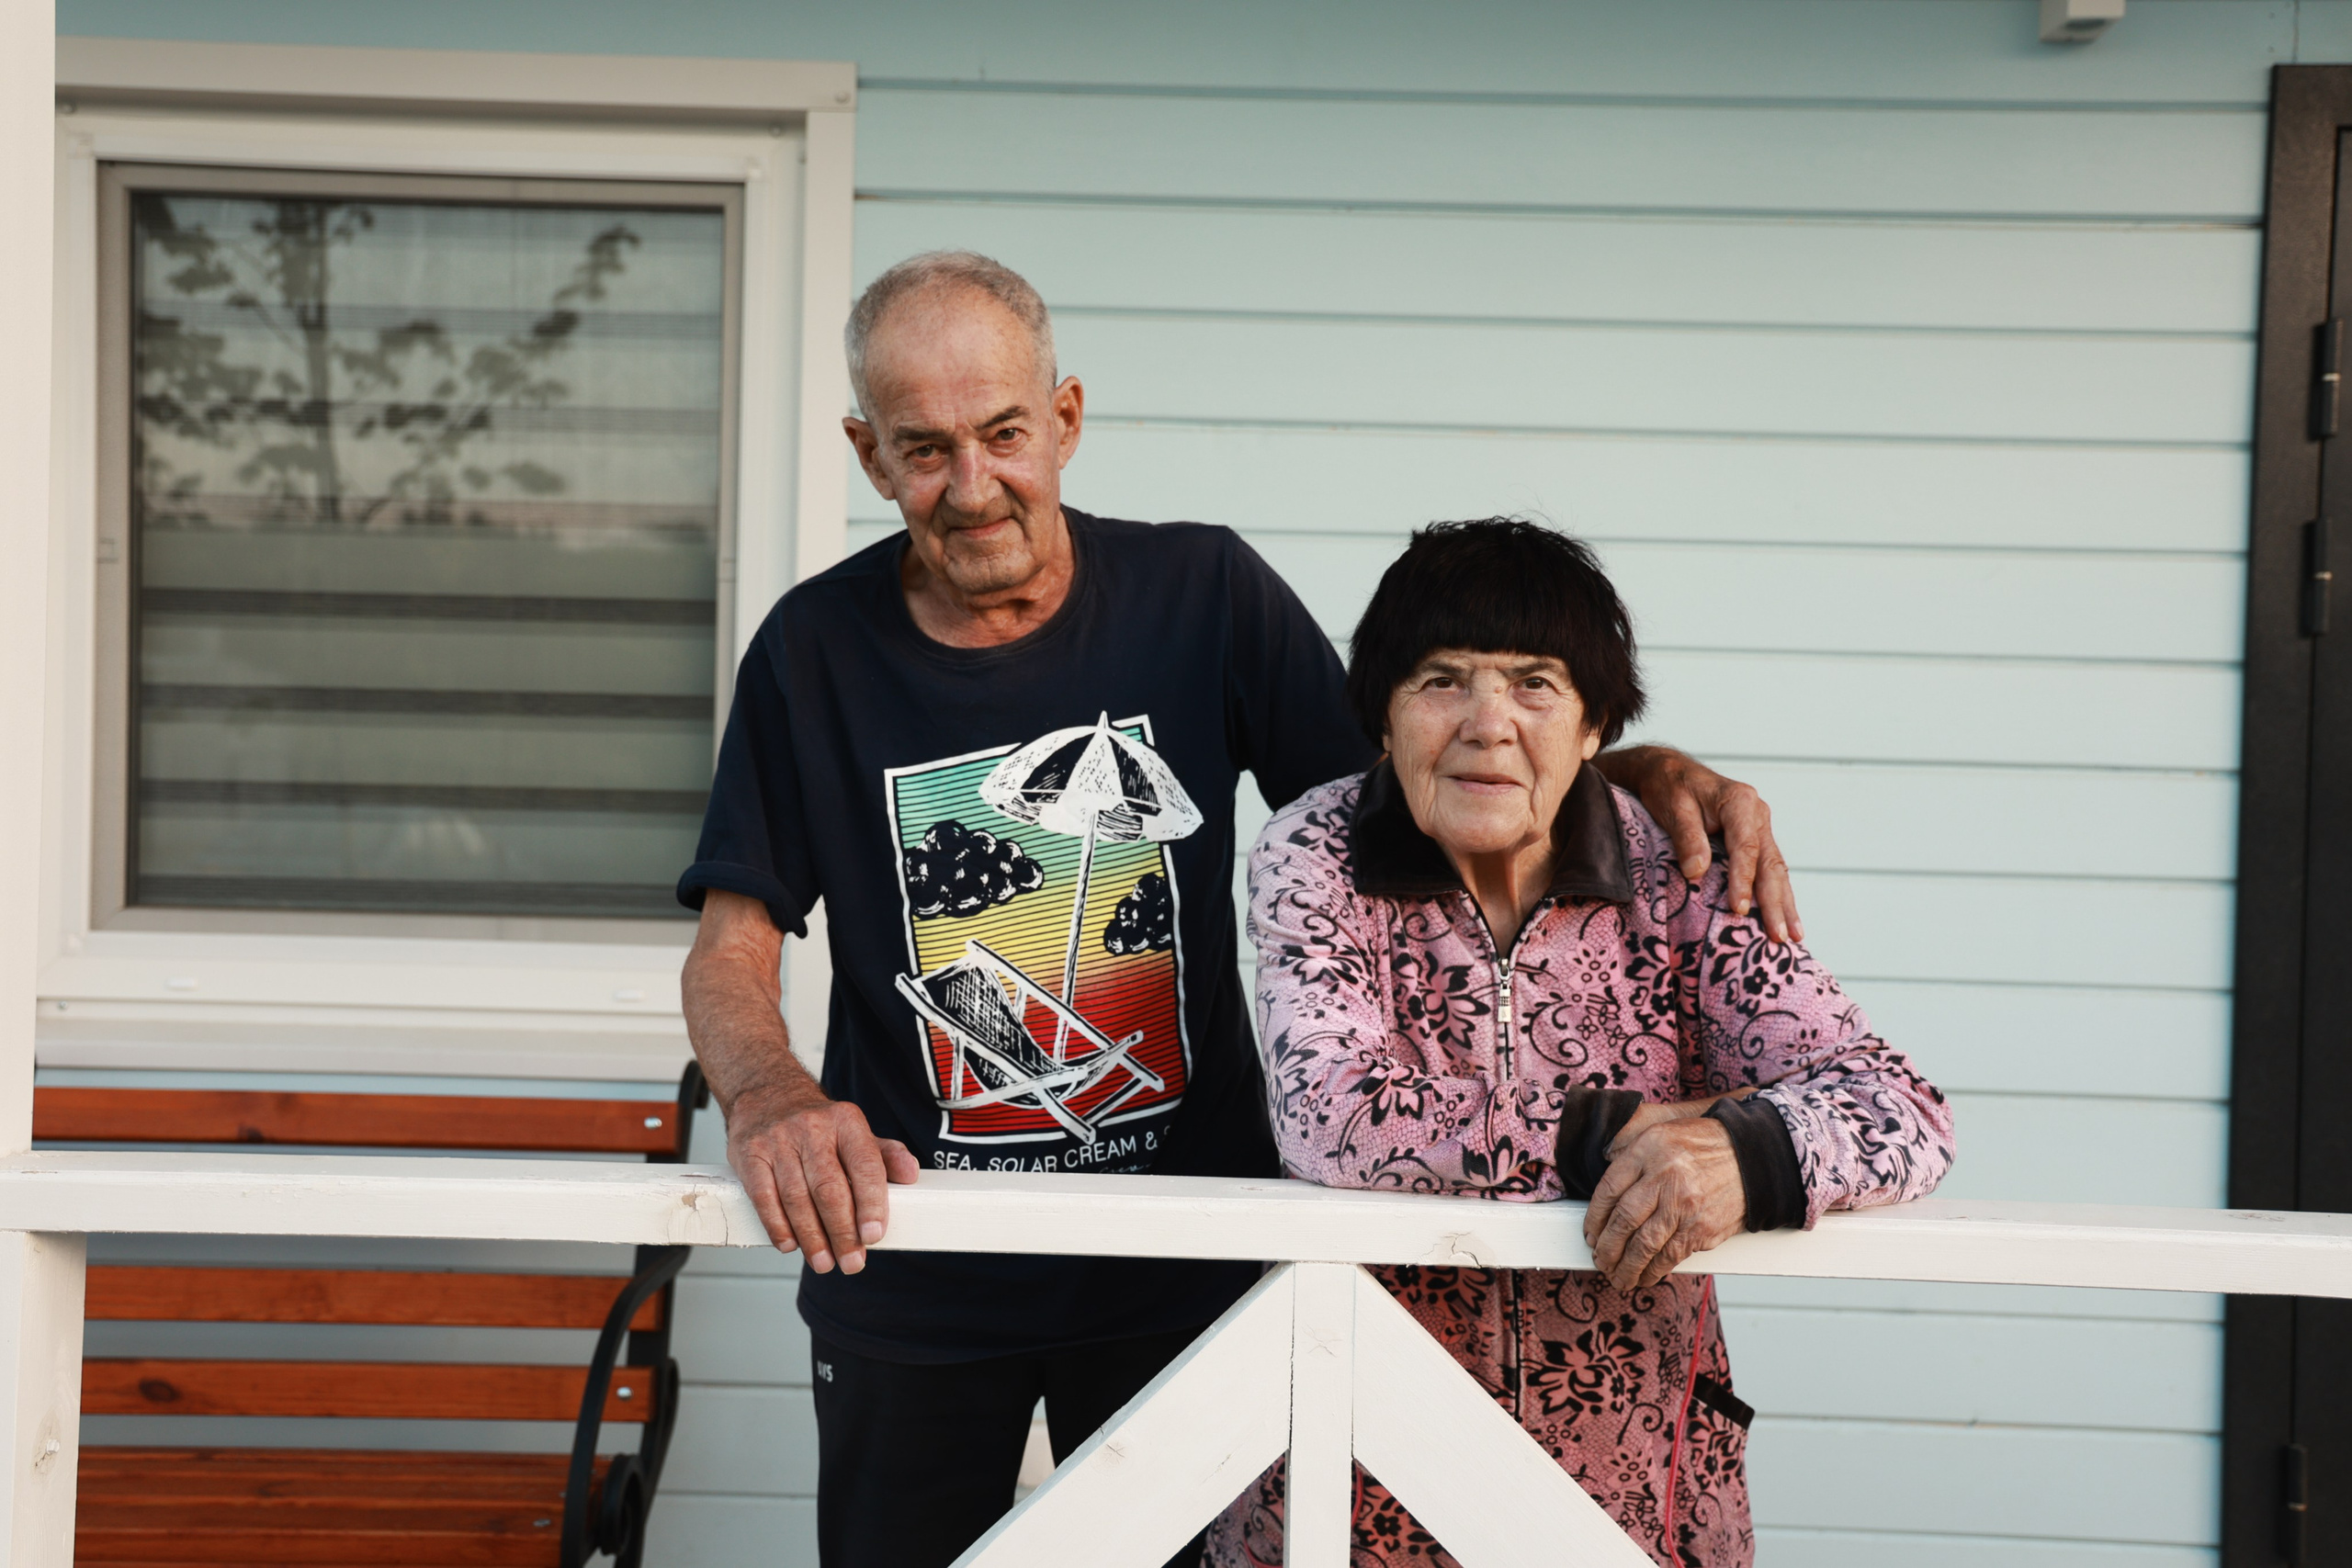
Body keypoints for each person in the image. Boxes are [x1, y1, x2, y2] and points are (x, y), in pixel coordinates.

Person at [675, 252, 1805, 1568]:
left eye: (1004, 434)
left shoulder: (1201, 594)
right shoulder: (812, 651)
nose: (973, 485)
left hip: (1190, 1262)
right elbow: (732, 942)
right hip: (920, 1265)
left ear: (1068, 420)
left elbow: (1423, 790)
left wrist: (1620, 769)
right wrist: (769, 1093)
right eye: (925, 449)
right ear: (870, 456)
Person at [1207, 519, 1954, 1568]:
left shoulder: (1679, 870)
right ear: (1382, 714)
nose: (1486, 724)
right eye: (1440, 680)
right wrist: (1616, 1136)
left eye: (1535, 684)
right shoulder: (1316, 849)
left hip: (1630, 1483)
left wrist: (1746, 1155)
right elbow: (1334, 1116)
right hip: (1357, 1483)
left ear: (1596, 723)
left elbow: (1896, 1108)